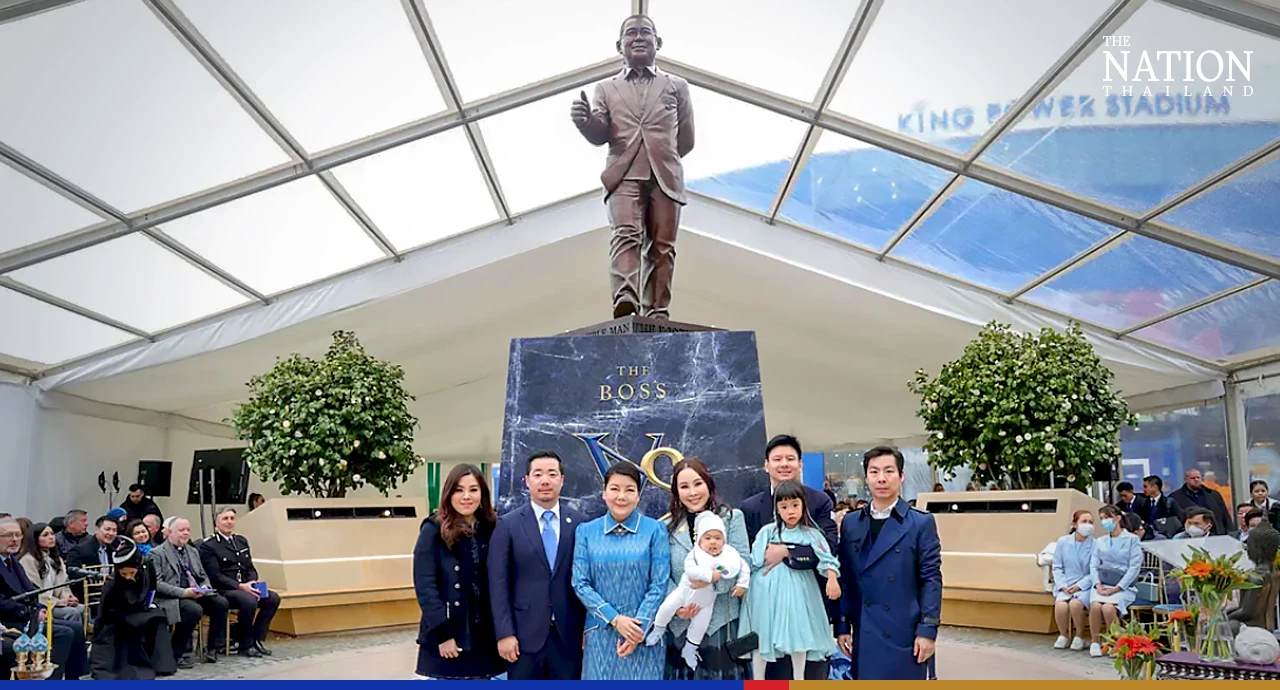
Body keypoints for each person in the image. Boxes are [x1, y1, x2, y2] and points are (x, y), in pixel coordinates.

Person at [570, 13, 695, 320]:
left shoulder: (677, 86)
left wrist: (661, 153)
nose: (638, 38)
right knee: (625, 234)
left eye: (645, 32)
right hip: (623, 173)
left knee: (662, 246)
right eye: (631, 33)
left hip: (665, 174)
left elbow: (687, 139)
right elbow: (600, 133)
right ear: (619, 45)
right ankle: (626, 296)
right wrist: (585, 122)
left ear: (658, 42)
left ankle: (657, 310)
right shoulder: (606, 89)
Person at [836, 446, 942, 681]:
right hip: (865, 633)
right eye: (874, 472)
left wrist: (928, 630)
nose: (881, 478)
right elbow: (846, 579)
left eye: (888, 471)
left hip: (904, 632)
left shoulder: (920, 523)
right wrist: (842, 626)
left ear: (901, 476)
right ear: (867, 478)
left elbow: (931, 580)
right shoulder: (852, 522)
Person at [739, 434, 837, 681]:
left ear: (800, 464)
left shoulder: (819, 501)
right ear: (766, 465)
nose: (784, 464)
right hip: (765, 606)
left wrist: (787, 552)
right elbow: (746, 555)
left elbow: (830, 546)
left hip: (804, 604)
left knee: (806, 672)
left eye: (790, 458)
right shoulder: (749, 507)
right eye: (777, 459)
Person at [487, 451, 587, 680]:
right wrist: (504, 633)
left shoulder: (580, 524)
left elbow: (587, 580)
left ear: (562, 480)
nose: (545, 480)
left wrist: (586, 628)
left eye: (552, 474)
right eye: (538, 474)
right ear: (527, 480)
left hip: (569, 638)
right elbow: (497, 584)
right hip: (522, 639)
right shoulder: (508, 525)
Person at [572, 462, 671, 680]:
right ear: (604, 493)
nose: (621, 496)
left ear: (638, 495)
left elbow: (659, 584)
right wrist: (615, 619)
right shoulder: (586, 532)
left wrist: (638, 628)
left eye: (629, 489)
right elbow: (580, 583)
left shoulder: (655, 530)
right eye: (615, 489)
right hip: (600, 633)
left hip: (643, 635)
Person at [656, 458, 750, 680]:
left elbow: (741, 561)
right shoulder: (665, 527)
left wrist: (712, 581)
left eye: (697, 484)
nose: (692, 492)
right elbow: (660, 574)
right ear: (676, 492)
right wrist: (677, 604)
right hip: (682, 625)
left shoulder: (732, 518)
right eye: (684, 487)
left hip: (723, 624)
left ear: (708, 484)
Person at [412, 464, 502, 681]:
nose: (466, 497)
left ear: (483, 493)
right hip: (450, 634)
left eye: (473, 489)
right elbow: (425, 586)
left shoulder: (492, 527)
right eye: (459, 490)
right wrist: (443, 634)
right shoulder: (433, 529)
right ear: (449, 494)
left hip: (484, 635)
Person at [647, 510, 748, 670]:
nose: (713, 542)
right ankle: (658, 630)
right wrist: (709, 577)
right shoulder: (689, 549)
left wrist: (741, 584)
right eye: (684, 486)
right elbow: (666, 573)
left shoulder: (731, 522)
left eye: (717, 538)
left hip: (716, 616)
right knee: (667, 607)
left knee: (700, 626)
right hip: (682, 600)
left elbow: (740, 566)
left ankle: (690, 649)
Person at [0, 518, 88, 680]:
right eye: (8, 535)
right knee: (64, 633)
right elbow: (2, 602)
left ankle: (75, 678)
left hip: (26, 615)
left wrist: (40, 607)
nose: (14, 540)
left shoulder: (13, 562)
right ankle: (48, 680)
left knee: (75, 628)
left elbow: (30, 591)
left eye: (18, 535)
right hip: (9, 621)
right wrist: (30, 611)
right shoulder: (21, 560)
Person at [89, 539, 176, 679]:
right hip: (119, 616)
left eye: (131, 573)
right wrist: (97, 632)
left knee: (159, 617)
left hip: (139, 609)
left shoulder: (147, 568)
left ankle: (162, 664)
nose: (128, 577)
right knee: (136, 623)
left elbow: (151, 588)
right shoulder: (112, 583)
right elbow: (103, 611)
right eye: (124, 574)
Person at [198, 507, 279, 658]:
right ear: (217, 523)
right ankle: (244, 644)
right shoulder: (209, 545)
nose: (229, 522)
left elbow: (250, 567)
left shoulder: (241, 541)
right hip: (225, 589)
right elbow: (215, 576)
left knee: (272, 598)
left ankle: (256, 639)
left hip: (246, 586)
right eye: (225, 519)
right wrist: (241, 586)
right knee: (249, 601)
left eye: (232, 518)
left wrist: (252, 581)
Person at [149, 517, 227, 666]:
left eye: (188, 530)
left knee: (220, 603)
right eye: (181, 530)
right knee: (193, 610)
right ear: (170, 533)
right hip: (172, 596)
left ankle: (212, 648)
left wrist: (204, 587)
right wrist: (184, 593)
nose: (185, 533)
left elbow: (203, 576)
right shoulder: (157, 553)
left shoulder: (192, 551)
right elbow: (157, 584)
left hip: (194, 591)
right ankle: (177, 651)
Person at [1087, 505, 1142, 657]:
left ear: (1117, 518)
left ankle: (1115, 642)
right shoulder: (1100, 541)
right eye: (1102, 519)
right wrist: (1097, 584)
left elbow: (1134, 567)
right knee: (1096, 606)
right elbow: (1094, 564)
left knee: (1108, 608)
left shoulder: (1132, 539)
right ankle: (1095, 641)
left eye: (1107, 517)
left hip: (1123, 586)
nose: (1105, 521)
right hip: (1102, 584)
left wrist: (1118, 587)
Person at [17, 522, 83, 622]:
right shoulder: (28, 560)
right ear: (35, 539)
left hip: (57, 600)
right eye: (45, 535)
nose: (51, 537)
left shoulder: (56, 559)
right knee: (72, 612)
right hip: (42, 603)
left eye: (52, 534)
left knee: (82, 608)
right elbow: (33, 590)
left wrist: (68, 597)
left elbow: (64, 584)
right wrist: (57, 602)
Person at [1051, 510, 1095, 651]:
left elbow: (1094, 571)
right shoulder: (1063, 542)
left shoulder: (1095, 544)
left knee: (1076, 605)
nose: (1087, 525)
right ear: (1075, 524)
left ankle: (1080, 636)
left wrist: (1079, 586)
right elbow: (1057, 566)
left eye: (1090, 522)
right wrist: (1062, 585)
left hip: (1085, 585)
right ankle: (1063, 635)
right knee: (1061, 605)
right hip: (1066, 583)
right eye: (1084, 521)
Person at [1169, 469, 1231, 536]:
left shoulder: (1213, 495)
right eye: (1193, 478)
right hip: (1188, 535)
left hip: (1216, 534)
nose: (1196, 480)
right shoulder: (1176, 498)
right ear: (1186, 479)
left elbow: (1225, 516)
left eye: (1198, 477)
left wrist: (1229, 532)